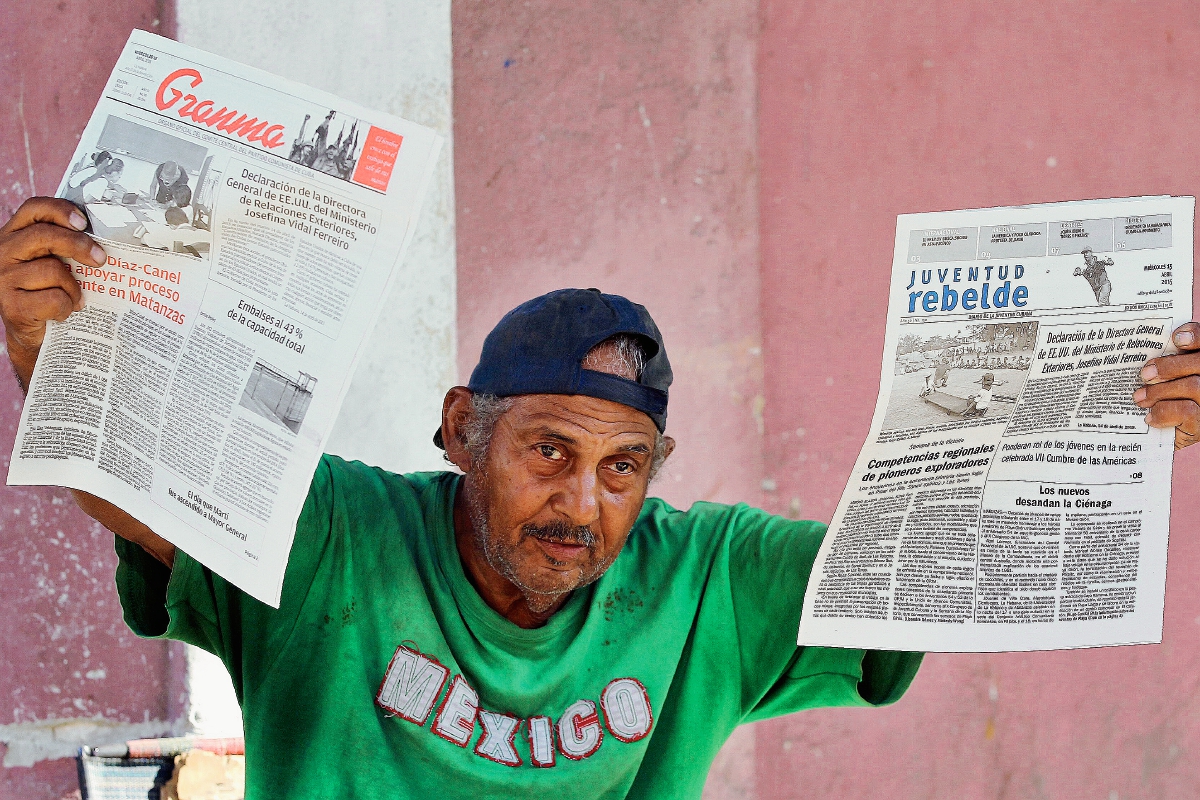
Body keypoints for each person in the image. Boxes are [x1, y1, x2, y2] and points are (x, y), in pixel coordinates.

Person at [3, 199, 1200, 798]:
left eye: (624, 465)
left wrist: (1133, 425)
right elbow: (136, 485)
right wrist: (37, 336)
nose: (584, 500)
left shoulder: (708, 575)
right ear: (462, 427)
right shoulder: (338, 535)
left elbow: (925, 559)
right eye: (548, 450)